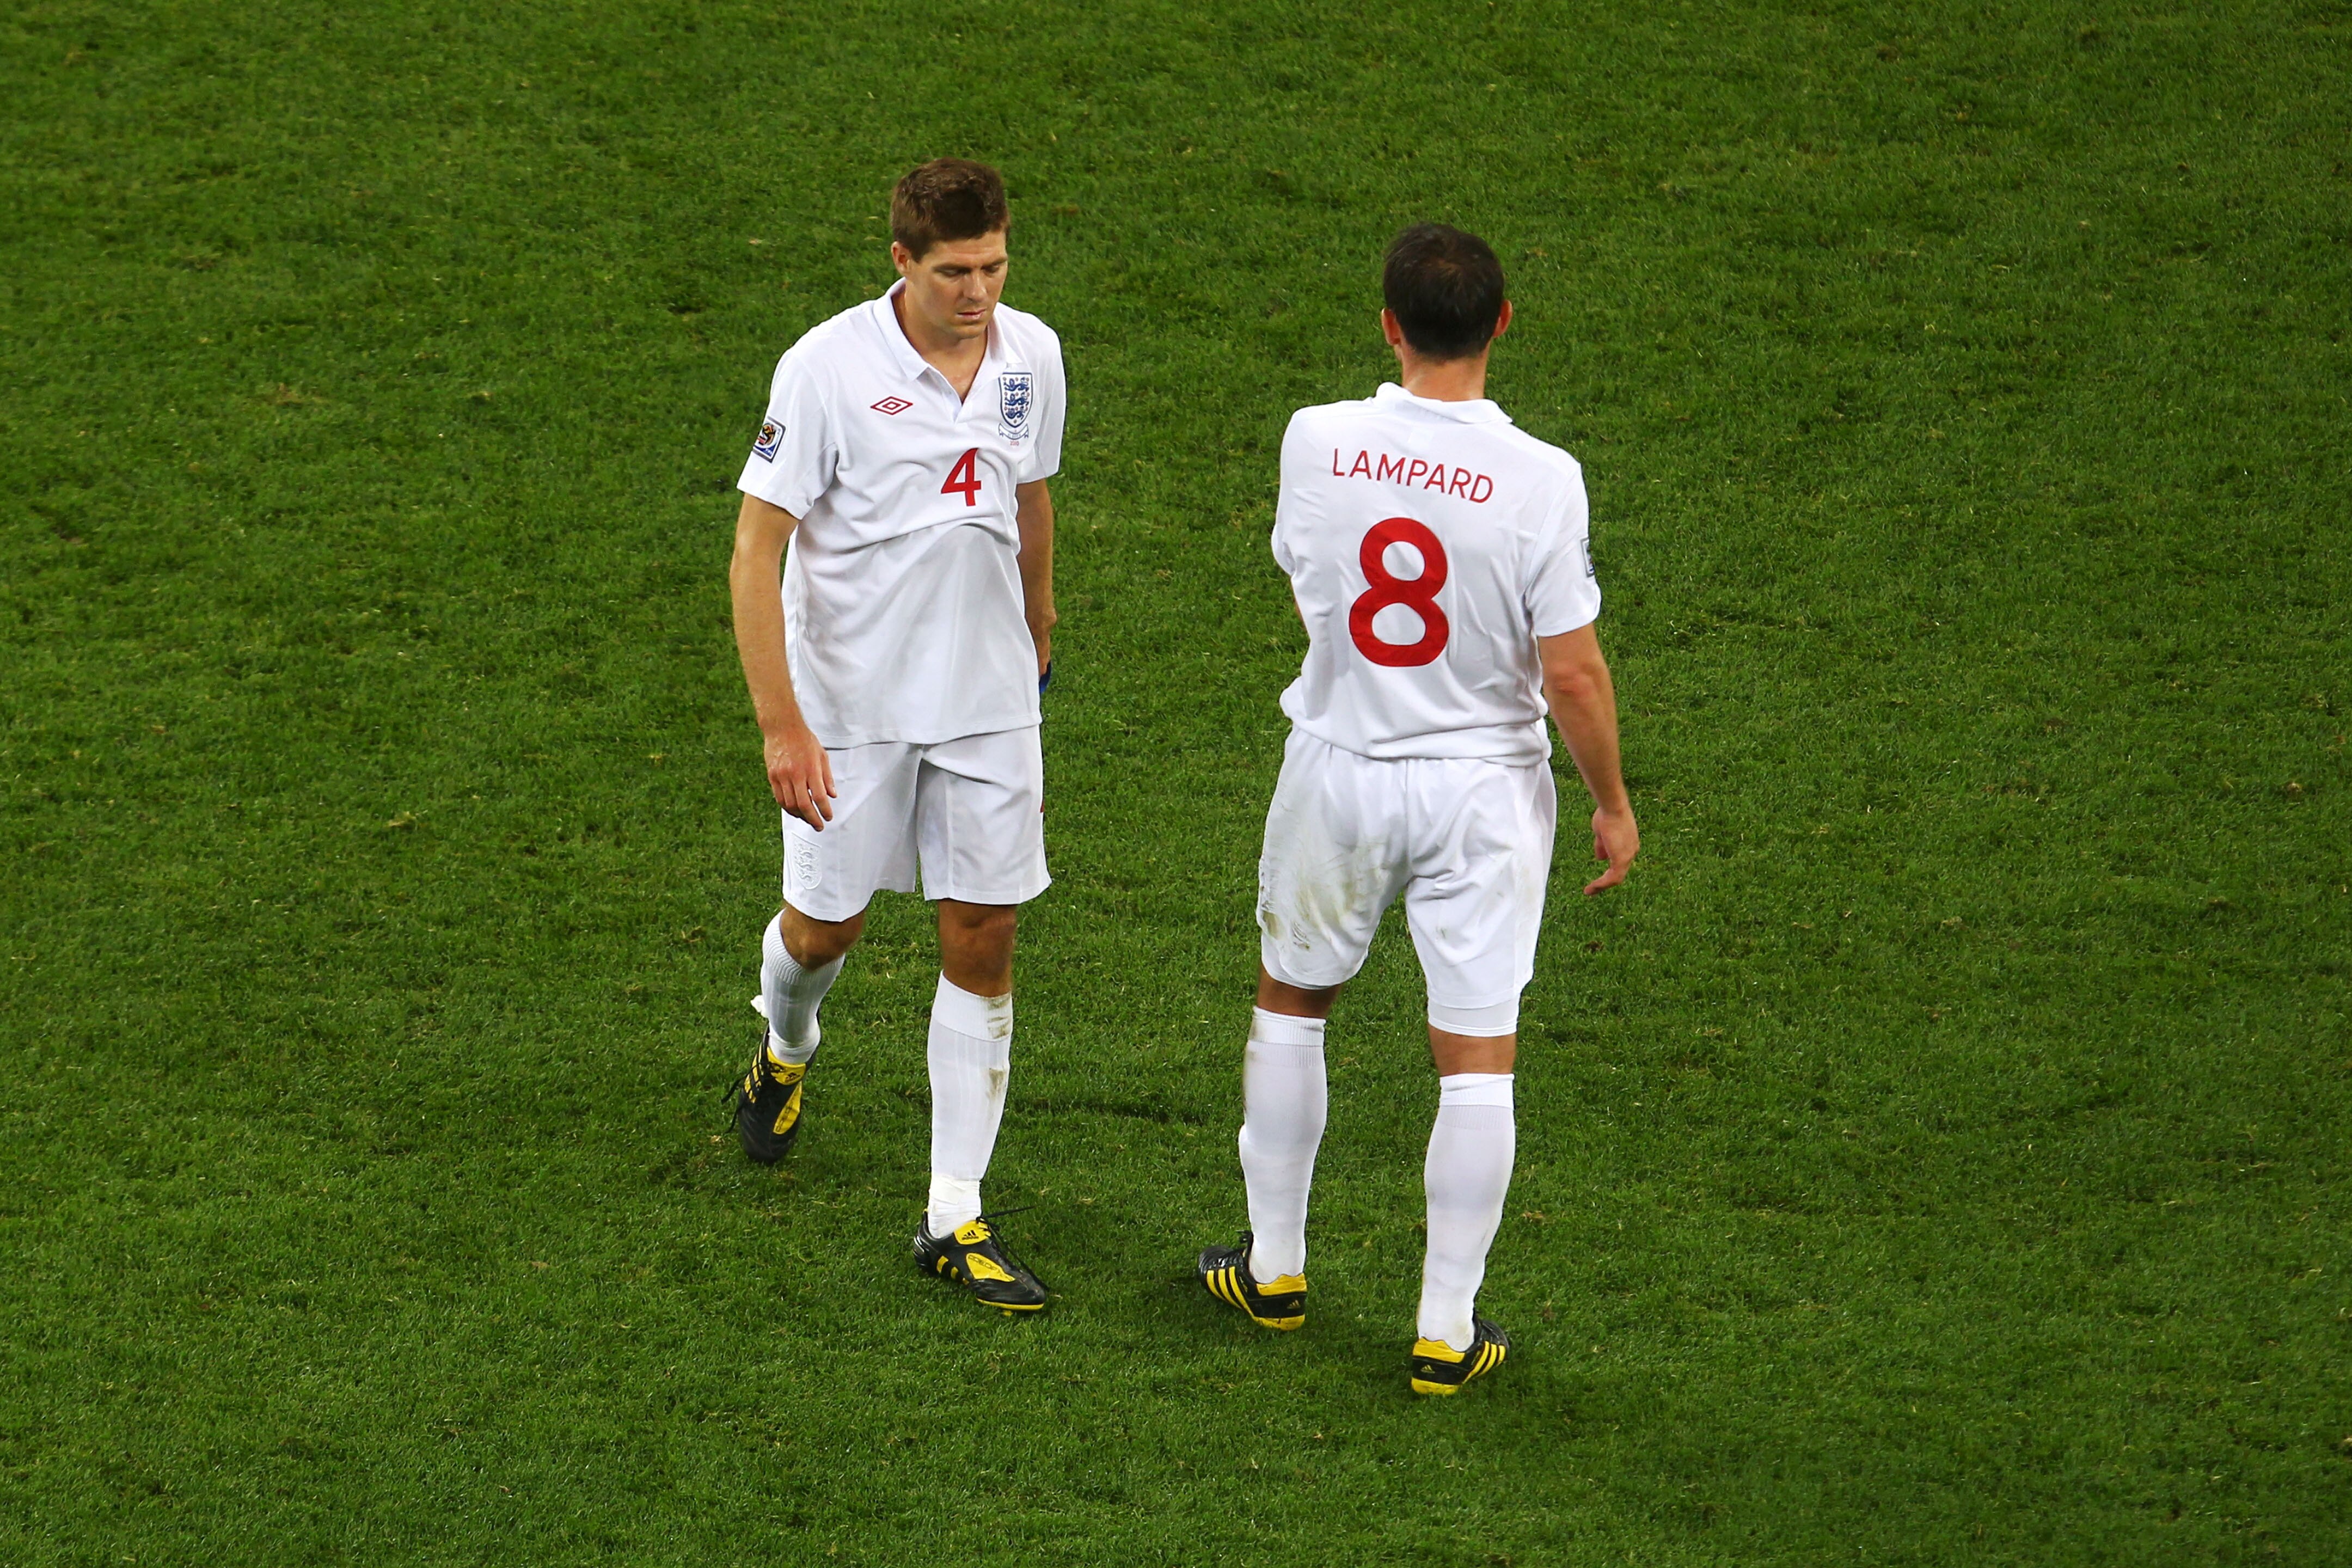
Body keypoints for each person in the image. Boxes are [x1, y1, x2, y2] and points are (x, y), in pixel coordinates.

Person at [1197, 223, 1638, 1392]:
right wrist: (1612, 804)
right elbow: (1575, 673)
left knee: (1293, 1002)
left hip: (1341, 761)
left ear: (1388, 323)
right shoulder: (1544, 479)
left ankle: (1277, 1269)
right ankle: (1446, 1330)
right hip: (1483, 792)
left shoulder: (1318, 439)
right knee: (1476, 1055)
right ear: (1501, 324)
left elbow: (1312, 577)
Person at [727, 158, 1064, 1313]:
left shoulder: (1033, 355)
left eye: (996, 266)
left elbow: (1028, 494)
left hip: (987, 702)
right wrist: (784, 726)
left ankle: (952, 1212)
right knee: (824, 933)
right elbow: (755, 551)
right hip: (854, 712)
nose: (980, 292)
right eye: (956, 272)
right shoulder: (825, 370)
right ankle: (785, 1049)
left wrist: (1041, 621)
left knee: (983, 932)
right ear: (903, 264)